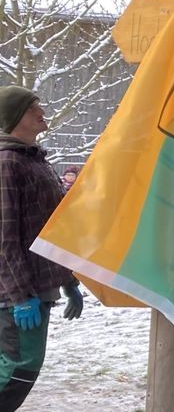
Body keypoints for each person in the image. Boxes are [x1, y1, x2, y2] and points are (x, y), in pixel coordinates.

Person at [0, 86, 84, 408]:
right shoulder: (7, 163)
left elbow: (49, 228)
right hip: (16, 293)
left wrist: (68, 280)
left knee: (17, 367)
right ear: (16, 117)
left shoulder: (33, 159)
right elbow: (5, 237)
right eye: (34, 107)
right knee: (19, 368)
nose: (42, 111)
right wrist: (21, 297)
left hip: (37, 286)